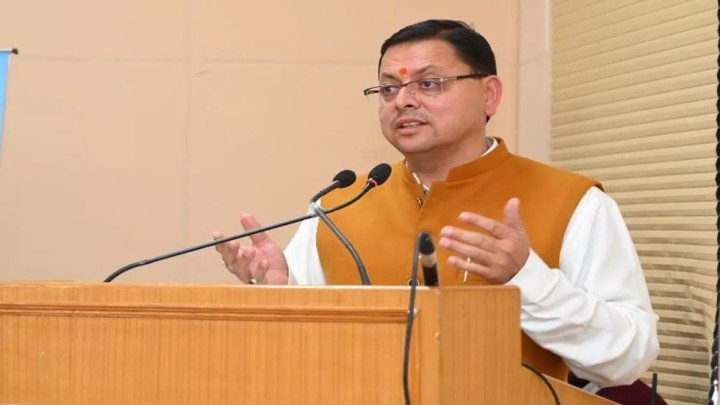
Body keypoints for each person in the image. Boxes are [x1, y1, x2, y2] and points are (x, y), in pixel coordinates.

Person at [212, 19, 659, 387]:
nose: (404, 100)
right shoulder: (340, 205)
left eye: (429, 83)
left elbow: (628, 358)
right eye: (388, 89)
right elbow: (303, 356)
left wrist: (527, 280)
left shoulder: (572, 202)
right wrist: (280, 291)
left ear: (489, 94)